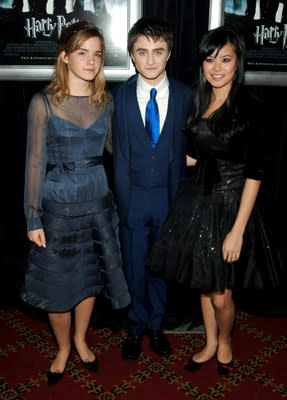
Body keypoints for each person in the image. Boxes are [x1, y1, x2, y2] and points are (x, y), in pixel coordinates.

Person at [147, 26, 280, 375]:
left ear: (238, 63)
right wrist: (160, 155)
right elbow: (197, 156)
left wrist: (237, 230)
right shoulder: (200, 101)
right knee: (204, 283)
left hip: (233, 206)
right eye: (210, 59)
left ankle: (225, 339)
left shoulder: (251, 107)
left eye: (225, 59)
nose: (216, 67)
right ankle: (208, 341)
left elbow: (256, 172)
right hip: (198, 200)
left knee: (221, 293)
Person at [20, 20, 130, 386]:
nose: (92, 60)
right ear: (64, 57)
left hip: (97, 203)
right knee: (57, 285)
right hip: (58, 206)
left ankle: (82, 339)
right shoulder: (43, 103)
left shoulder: (107, 101)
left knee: (88, 278)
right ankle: (63, 348)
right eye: (82, 52)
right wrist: (32, 218)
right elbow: (35, 161)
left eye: (97, 54)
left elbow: (118, 150)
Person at [112, 16, 194, 361]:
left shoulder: (187, 95)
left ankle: (157, 326)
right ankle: (136, 326)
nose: (150, 60)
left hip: (169, 199)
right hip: (134, 199)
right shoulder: (121, 96)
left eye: (157, 51)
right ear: (132, 55)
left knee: (162, 267)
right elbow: (118, 156)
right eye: (142, 52)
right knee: (134, 266)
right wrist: (124, 202)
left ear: (169, 53)